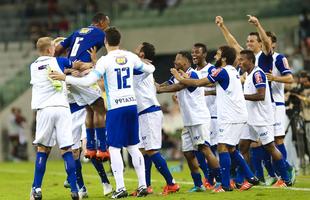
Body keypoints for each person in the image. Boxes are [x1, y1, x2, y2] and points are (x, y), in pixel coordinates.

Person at [50, 27, 155, 199]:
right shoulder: (130, 56)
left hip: (116, 108)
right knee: (133, 147)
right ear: (119, 40)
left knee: (113, 148)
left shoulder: (105, 61)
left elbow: (88, 81)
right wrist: (136, 77)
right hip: (131, 105)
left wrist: (65, 78)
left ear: (105, 41)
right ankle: (143, 185)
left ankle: (120, 188)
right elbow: (150, 70)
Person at [170, 46, 259, 192]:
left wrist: (179, 78)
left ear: (223, 58)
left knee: (222, 147)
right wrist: (186, 78)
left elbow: (199, 83)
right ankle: (250, 177)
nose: (215, 57)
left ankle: (224, 185)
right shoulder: (232, 71)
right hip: (238, 114)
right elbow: (210, 83)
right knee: (230, 148)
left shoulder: (221, 71)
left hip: (230, 115)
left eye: (218, 55)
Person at [53, 37, 113, 197]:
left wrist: (86, 67)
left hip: (87, 110)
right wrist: (66, 73)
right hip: (71, 114)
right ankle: (81, 187)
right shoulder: (55, 66)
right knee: (74, 153)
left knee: (89, 151)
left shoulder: (76, 62)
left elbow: (93, 73)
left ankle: (105, 182)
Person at [157, 51, 222, 192]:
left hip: (199, 119)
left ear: (186, 62)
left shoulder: (193, 74)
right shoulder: (178, 76)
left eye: (178, 59)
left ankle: (220, 183)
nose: (175, 61)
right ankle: (198, 185)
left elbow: (178, 86)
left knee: (205, 149)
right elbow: (166, 84)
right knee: (188, 153)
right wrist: (154, 85)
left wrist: (161, 90)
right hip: (188, 121)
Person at [54, 12, 110, 161]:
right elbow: (111, 46)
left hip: (70, 74)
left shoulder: (78, 31)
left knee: (89, 109)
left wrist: (55, 64)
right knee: (99, 107)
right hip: (82, 73)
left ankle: (90, 148)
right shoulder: (100, 33)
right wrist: (95, 62)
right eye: (107, 24)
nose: (107, 27)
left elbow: (58, 48)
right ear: (101, 22)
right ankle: (102, 148)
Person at [29, 37, 79, 200]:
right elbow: (77, 65)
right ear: (50, 50)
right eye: (53, 47)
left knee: (42, 150)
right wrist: (89, 64)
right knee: (67, 150)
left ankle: (36, 189)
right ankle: (74, 190)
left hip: (44, 110)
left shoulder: (33, 66)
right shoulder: (61, 62)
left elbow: (49, 69)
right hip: (62, 109)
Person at [132, 42, 180, 195]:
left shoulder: (140, 66)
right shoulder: (141, 66)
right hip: (142, 113)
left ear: (142, 54)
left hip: (149, 112)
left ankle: (171, 183)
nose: (134, 49)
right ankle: (146, 186)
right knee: (143, 151)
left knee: (151, 150)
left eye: (138, 48)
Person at [239, 49, 291, 187]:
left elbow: (261, 95)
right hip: (250, 119)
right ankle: (247, 179)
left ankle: (285, 179)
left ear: (250, 60)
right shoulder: (248, 74)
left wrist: (241, 97)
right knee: (242, 148)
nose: (239, 62)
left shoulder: (258, 74)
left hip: (262, 119)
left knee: (270, 147)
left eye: (242, 60)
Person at [191, 43, 218, 188]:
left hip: (212, 114)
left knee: (210, 148)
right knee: (198, 150)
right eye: (192, 52)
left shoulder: (211, 69)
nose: (194, 55)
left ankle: (215, 178)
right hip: (197, 116)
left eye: (197, 52)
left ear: (204, 54)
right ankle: (209, 178)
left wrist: (200, 91)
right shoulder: (193, 71)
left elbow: (218, 88)